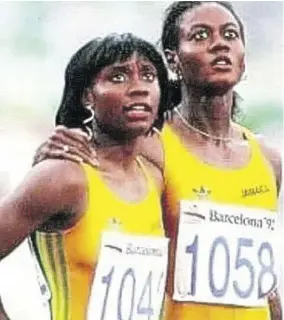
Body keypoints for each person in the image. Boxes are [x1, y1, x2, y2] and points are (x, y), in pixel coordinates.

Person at [33, 1, 282, 320]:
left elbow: (264, 277)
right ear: (172, 59)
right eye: (201, 35)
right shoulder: (149, 146)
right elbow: (88, 172)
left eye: (230, 34)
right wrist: (50, 154)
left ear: (244, 57)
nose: (219, 44)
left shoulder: (267, 158)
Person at [0, 33, 172, 320]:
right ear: (87, 96)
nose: (139, 88)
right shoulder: (64, 176)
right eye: (118, 77)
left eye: (148, 76)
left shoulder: (153, 175)